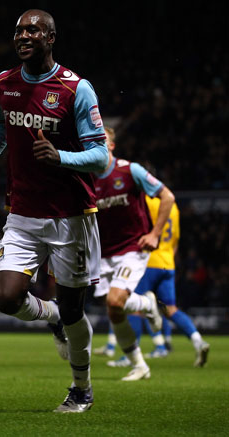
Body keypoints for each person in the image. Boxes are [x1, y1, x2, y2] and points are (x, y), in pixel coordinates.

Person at [0, 9, 109, 413]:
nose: (24, 35)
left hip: (72, 216)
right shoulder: (4, 83)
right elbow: (0, 125)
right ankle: (47, 314)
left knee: (74, 310)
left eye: (33, 30)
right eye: (18, 30)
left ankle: (81, 388)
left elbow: (101, 157)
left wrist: (61, 158)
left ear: (51, 38)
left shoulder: (75, 89)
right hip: (22, 211)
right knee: (6, 298)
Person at [91, 126, 173, 380]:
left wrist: (155, 234)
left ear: (112, 146)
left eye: (101, 141)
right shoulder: (87, 178)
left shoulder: (130, 170)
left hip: (132, 248)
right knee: (113, 309)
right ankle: (140, 364)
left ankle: (147, 306)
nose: (96, 145)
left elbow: (167, 197)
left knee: (115, 301)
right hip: (103, 253)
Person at [104, 194, 210, 367]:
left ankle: (130, 358)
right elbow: (175, 241)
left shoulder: (145, 201)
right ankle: (198, 341)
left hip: (148, 262)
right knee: (170, 309)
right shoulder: (173, 207)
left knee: (133, 308)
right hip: (167, 264)